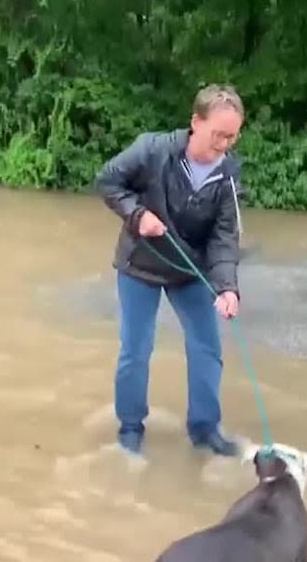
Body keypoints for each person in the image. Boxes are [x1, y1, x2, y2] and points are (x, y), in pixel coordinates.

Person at [94, 84, 247, 457]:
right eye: (218, 135)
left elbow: (225, 237)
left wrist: (227, 288)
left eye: (232, 137)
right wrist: (137, 214)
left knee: (207, 348)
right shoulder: (152, 150)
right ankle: (130, 429)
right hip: (140, 265)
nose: (224, 144)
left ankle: (205, 431)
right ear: (196, 121)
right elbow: (107, 181)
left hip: (190, 270)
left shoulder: (227, 175)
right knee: (136, 349)